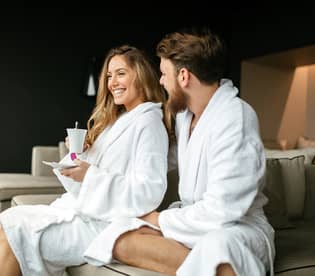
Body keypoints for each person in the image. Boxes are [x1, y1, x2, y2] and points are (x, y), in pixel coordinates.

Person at [0, 45, 172, 276]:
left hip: (104, 225)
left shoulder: (149, 122)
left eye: (121, 73)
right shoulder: (118, 121)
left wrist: (89, 174)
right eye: (109, 76)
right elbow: (85, 178)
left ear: (141, 74)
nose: (112, 82)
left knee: (14, 227)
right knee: (8, 222)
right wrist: (78, 155)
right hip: (85, 213)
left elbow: (149, 192)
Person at [103, 28, 275, 276]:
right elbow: (159, 158)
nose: (161, 81)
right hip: (191, 220)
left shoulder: (235, 117)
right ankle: (207, 269)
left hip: (235, 228)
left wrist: (159, 220)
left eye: (164, 74)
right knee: (120, 237)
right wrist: (103, 154)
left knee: (216, 246)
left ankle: (215, 265)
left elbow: (222, 211)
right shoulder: (185, 117)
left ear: (183, 76)